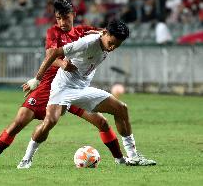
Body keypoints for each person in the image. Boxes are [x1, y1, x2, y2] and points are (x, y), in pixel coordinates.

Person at [0, 0, 125, 168]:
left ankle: (121, 160)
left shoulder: (85, 31)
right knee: (19, 122)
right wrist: (61, 64)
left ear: (73, 15)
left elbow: (106, 35)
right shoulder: (53, 32)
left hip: (74, 88)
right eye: (58, 18)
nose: (62, 22)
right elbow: (50, 56)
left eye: (65, 18)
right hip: (50, 85)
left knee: (101, 122)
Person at [21, 19, 157, 167]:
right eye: (111, 43)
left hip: (82, 88)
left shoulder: (104, 36)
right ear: (105, 34)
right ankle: (26, 159)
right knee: (49, 122)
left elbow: (103, 33)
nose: (111, 48)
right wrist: (36, 79)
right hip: (63, 88)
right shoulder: (86, 43)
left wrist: (99, 32)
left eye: (116, 46)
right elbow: (54, 52)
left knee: (121, 109)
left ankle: (133, 157)